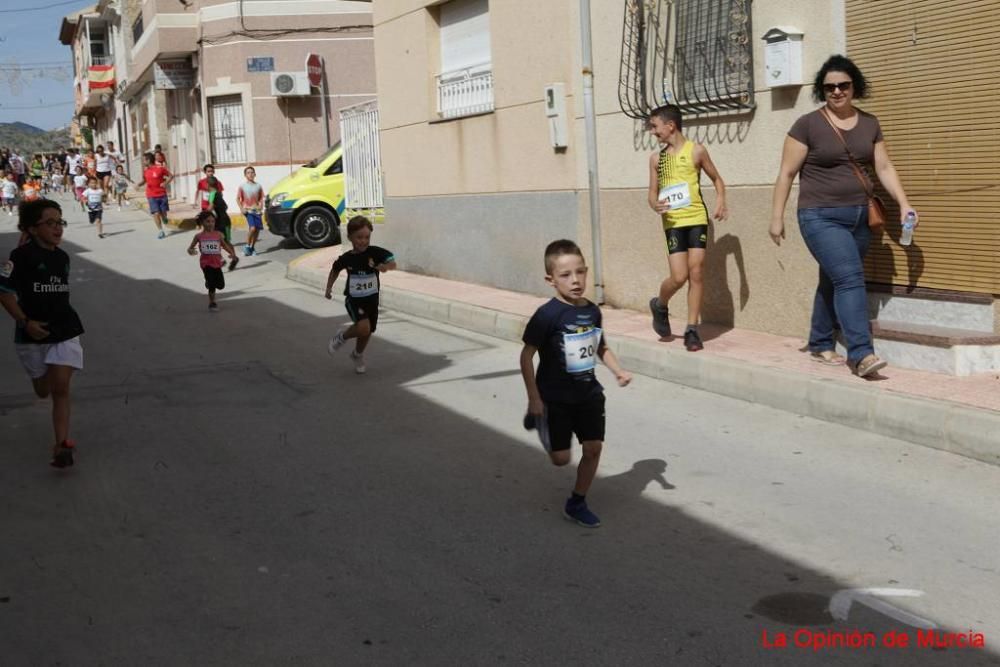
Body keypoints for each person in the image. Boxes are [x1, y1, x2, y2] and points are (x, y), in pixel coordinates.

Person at [770, 54, 917, 378]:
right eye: (829, 87)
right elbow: (786, 172)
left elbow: (884, 167)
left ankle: (820, 341)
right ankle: (862, 354)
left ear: (855, 86)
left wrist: (904, 203)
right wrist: (776, 216)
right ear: (822, 91)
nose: (836, 92)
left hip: (862, 216)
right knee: (850, 277)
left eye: (843, 85)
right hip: (819, 216)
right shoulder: (807, 124)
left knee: (833, 278)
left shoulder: (870, 123)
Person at [519, 239, 632, 528]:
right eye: (566, 275)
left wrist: (618, 371)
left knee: (593, 448)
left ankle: (577, 502)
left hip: (588, 394)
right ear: (551, 280)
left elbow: (600, 347)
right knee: (560, 459)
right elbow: (526, 357)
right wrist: (534, 398)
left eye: (580, 272)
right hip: (554, 397)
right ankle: (538, 417)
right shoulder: (547, 315)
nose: (576, 280)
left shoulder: (593, 311)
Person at [0, 199, 85, 468]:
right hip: (32, 333)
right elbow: (4, 292)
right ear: (32, 229)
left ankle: (61, 446)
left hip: (64, 328)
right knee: (42, 390)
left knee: (60, 388)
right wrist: (25, 322)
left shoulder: (63, 257)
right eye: (50, 223)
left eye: (60, 222)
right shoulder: (18, 258)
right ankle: (40, 378)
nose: (58, 228)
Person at [645, 104, 728, 352]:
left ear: (670, 126)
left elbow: (717, 179)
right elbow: (651, 193)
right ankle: (660, 304)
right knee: (679, 277)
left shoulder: (697, 151)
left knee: (697, 271)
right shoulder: (656, 159)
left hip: (696, 218)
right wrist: (655, 205)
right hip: (672, 223)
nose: (653, 132)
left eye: (654, 126)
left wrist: (721, 200)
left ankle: (692, 329)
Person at [324, 216, 396, 374]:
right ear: (350, 237)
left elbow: (392, 261)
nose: (363, 241)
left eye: (367, 237)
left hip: (372, 300)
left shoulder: (374, 253)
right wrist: (328, 288)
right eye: (359, 237)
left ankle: (357, 354)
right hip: (355, 300)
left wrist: (385, 266)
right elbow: (335, 270)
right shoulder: (347, 258)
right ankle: (341, 337)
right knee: (363, 327)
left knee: (367, 330)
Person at [187, 210, 237, 312]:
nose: (210, 224)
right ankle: (212, 303)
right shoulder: (198, 236)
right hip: (206, 264)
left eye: (212, 221)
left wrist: (232, 253)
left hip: (217, 263)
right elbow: (190, 248)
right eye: (207, 221)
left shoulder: (218, 234)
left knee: (221, 285)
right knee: (212, 285)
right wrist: (191, 251)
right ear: (202, 223)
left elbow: (224, 245)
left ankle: (209, 282)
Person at [136, 152, 172, 239]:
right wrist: (138, 185)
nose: (143, 162)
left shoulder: (160, 168)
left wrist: (165, 182)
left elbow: (171, 176)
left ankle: (164, 218)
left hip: (162, 194)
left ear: (148, 160)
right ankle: (160, 231)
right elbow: (144, 180)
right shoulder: (145, 171)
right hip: (151, 195)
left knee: (163, 213)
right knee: (155, 213)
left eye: (144, 160)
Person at [236, 165, 264, 256]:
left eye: (252, 172)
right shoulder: (242, 186)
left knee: (257, 230)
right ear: (245, 175)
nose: (250, 174)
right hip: (248, 211)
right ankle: (247, 246)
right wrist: (241, 208)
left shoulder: (258, 186)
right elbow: (237, 199)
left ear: (255, 174)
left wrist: (261, 207)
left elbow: (261, 198)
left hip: (257, 211)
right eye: (248, 173)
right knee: (252, 228)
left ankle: (252, 248)